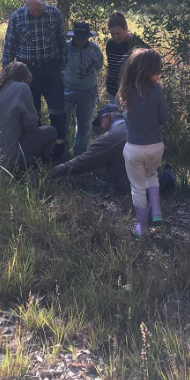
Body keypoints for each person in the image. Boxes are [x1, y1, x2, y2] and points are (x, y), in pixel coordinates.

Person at [1, 0, 68, 162]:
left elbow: (62, 43)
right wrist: (6, 76)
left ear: (44, 5)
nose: (36, 12)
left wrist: (63, 70)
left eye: (39, 9)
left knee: (58, 109)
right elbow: (9, 47)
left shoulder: (54, 14)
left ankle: (59, 151)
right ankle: (36, 154)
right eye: (32, 9)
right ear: (26, 5)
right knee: (31, 112)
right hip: (27, 72)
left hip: (51, 69)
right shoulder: (17, 17)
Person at [0, 61, 57, 170]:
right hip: (1, 161)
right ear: (25, 79)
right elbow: (31, 126)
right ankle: (31, 171)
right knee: (51, 132)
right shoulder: (22, 88)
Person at [119, 48, 169, 236]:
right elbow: (164, 117)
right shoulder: (156, 91)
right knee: (152, 175)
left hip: (133, 148)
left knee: (137, 187)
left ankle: (142, 227)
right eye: (158, 70)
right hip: (156, 146)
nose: (159, 73)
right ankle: (156, 212)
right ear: (149, 71)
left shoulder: (125, 91)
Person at [48, 103, 129, 193]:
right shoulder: (136, 125)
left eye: (100, 123)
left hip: (128, 188)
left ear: (107, 118)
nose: (101, 128)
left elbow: (85, 161)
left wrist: (59, 170)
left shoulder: (111, 137)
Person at [64, 22, 104, 157]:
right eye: (78, 37)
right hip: (67, 88)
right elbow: (60, 65)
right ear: (73, 36)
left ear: (88, 37)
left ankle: (81, 154)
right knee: (62, 121)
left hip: (88, 90)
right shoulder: (65, 47)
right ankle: (62, 151)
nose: (80, 41)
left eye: (83, 38)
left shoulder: (95, 50)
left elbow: (99, 66)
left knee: (85, 124)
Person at [105, 12, 147, 103]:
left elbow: (150, 66)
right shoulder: (110, 43)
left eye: (118, 33)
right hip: (113, 91)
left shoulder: (136, 44)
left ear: (126, 28)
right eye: (112, 34)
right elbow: (110, 66)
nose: (115, 37)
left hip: (131, 92)